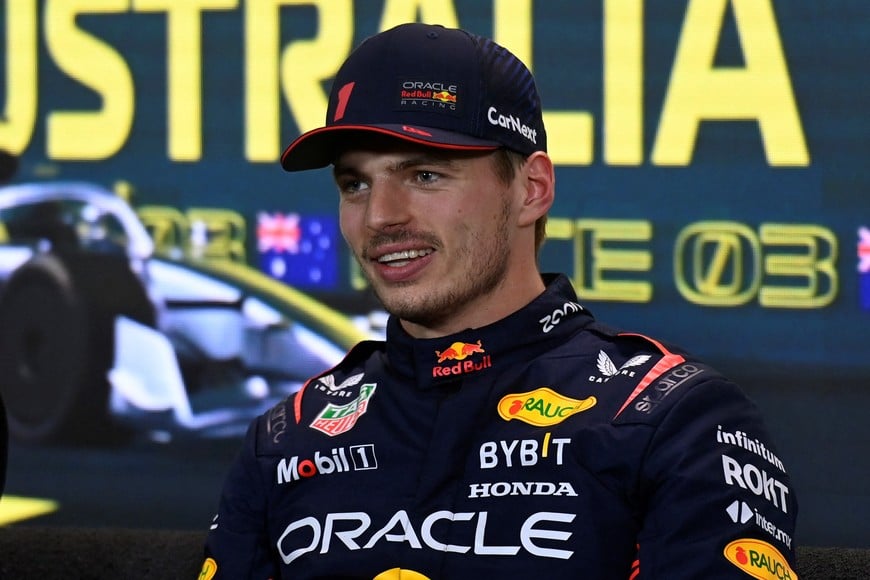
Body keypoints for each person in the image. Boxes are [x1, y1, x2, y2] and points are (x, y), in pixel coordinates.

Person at [201, 23, 798, 579]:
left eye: (425, 175)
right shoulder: (288, 436)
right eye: (355, 183)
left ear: (531, 190)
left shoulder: (672, 418)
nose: (380, 216)